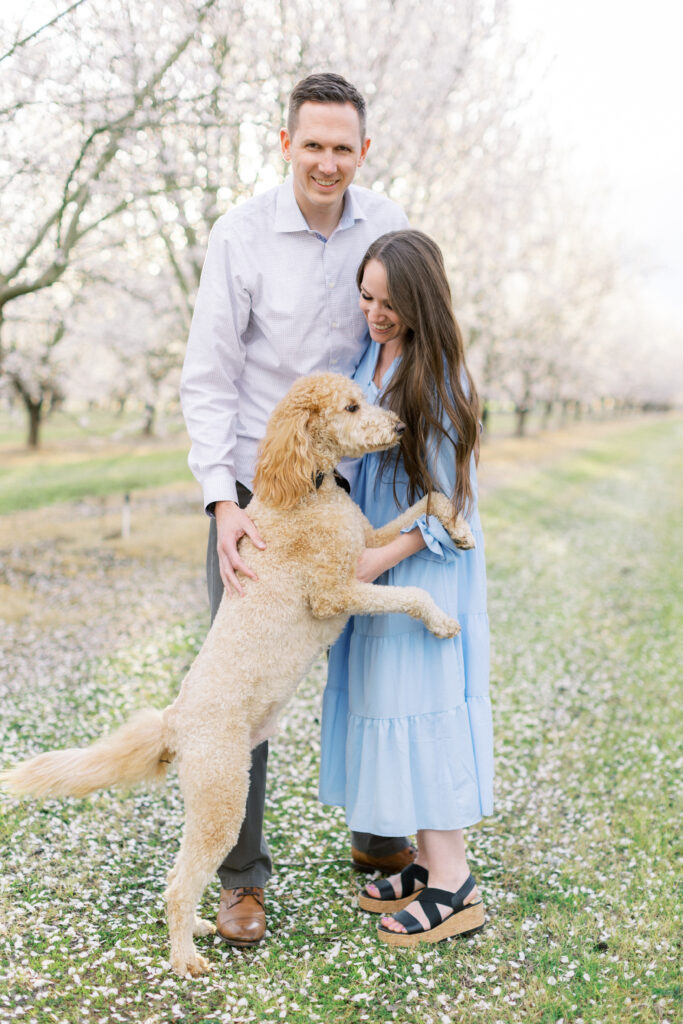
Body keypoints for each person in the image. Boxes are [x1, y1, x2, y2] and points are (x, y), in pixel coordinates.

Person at [180, 73, 414, 948]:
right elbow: (208, 379)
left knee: (371, 644)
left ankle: (379, 827)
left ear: (363, 150)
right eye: (310, 144)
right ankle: (241, 880)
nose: (326, 162)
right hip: (258, 492)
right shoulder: (239, 236)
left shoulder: (386, 223)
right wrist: (220, 504)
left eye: (341, 148)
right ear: (285, 144)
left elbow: (408, 335)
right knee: (244, 683)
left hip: (354, 484)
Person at [319, 229, 493, 944]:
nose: (375, 311)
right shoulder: (370, 355)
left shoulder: (438, 381)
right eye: (366, 296)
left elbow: (452, 512)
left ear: (421, 300)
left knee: (419, 710)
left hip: (420, 566)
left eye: (389, 301)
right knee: (385, 702)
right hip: (379, 556)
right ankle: (423, 861)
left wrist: (373, 561)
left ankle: (453, 884)